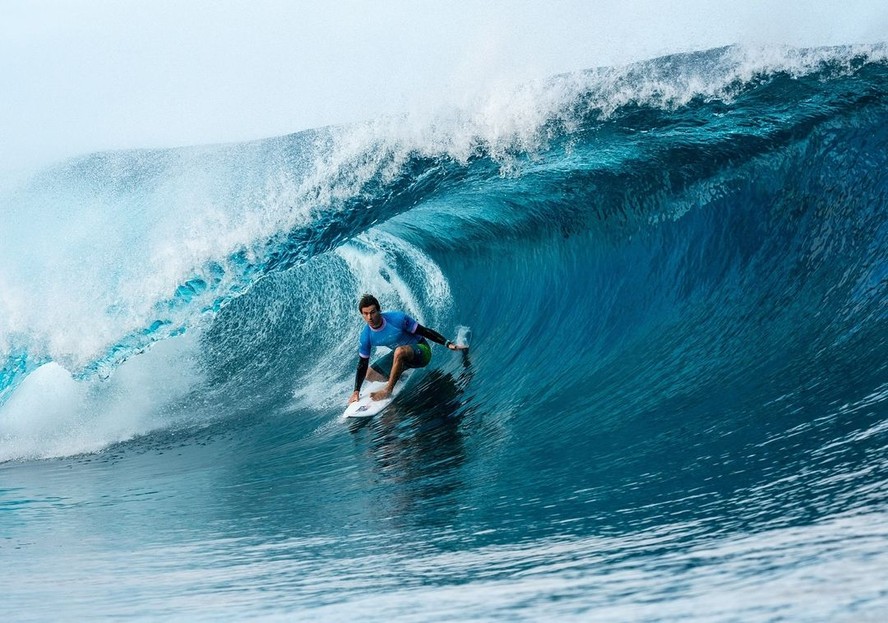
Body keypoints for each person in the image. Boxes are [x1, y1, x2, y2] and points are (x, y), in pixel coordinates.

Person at [348, 294, 468, 404]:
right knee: (369, 374)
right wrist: (356, 390)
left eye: (372, 312)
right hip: (401, 355)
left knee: (399, 351)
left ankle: (388, 390)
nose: (369, 317)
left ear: (379, 310)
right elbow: (362, 363)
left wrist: (447, 343)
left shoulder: (397, 319)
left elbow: (424, 331)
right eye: (365, 313)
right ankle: (400, 373)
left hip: (422, 352)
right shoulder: (366, 335)